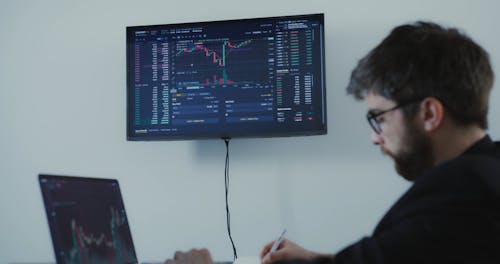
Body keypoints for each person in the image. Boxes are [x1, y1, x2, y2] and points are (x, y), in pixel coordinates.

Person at [166, 21, 500, 264]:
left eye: (379, 118)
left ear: (429, 113)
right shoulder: (487, 172)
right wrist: (314, 259)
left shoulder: (460, 191)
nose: (375, 138)